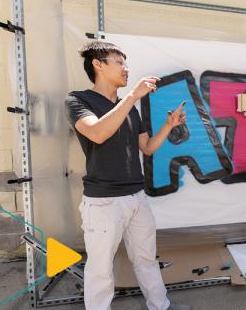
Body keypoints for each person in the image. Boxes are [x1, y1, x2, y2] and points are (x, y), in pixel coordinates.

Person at [65, 41, 190, 310]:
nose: (126, 69)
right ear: (98, 64)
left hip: (136, 197)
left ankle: (161, 305)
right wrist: (133, 96)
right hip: (103, 202)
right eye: (119, 62)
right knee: (100, 268)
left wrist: (169, 126)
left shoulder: (128, 108)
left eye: (125, 63)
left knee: (146, 258)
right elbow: (97, 132)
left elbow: (147, 148)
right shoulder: (78, 100)